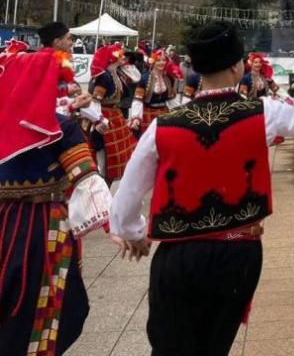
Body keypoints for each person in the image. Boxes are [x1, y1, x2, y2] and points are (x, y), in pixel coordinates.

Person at [109, 21, 294, 356]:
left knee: (171, 345)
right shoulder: (260, 113)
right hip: (237, 253)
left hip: (179, 255)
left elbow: (127, 195)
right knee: (213, 343)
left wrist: (132, 233)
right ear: (238, 66)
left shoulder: (163, 126)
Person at [0, 46, 113, 355]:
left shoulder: (5, 124)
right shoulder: (60, 128)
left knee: (9, 299)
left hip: (4, 223)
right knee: (50, 304)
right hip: (45, 229)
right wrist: (114, 225)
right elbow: (87, 180)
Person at [90, 43, 137, 183]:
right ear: (112, 58)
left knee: (118, 156)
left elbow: (136, 77)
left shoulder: (117, 73)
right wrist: (97, 119)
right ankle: (103, 189)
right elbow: (96, 100)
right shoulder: (105, 76)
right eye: (120, 54)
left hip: (116, 116)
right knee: (108, 157)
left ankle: (107, 189)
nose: (123, 57)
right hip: (106, 117)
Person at [128, 49, 180, 136]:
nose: (162, 62)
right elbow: (138, 100)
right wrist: (136, 117)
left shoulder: (169, 79)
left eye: (164, 60)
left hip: (164, 114)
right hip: (148, 114)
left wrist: (179, 113)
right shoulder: (144, 78)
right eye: (158, 60)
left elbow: (172, 100)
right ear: (153, 62)